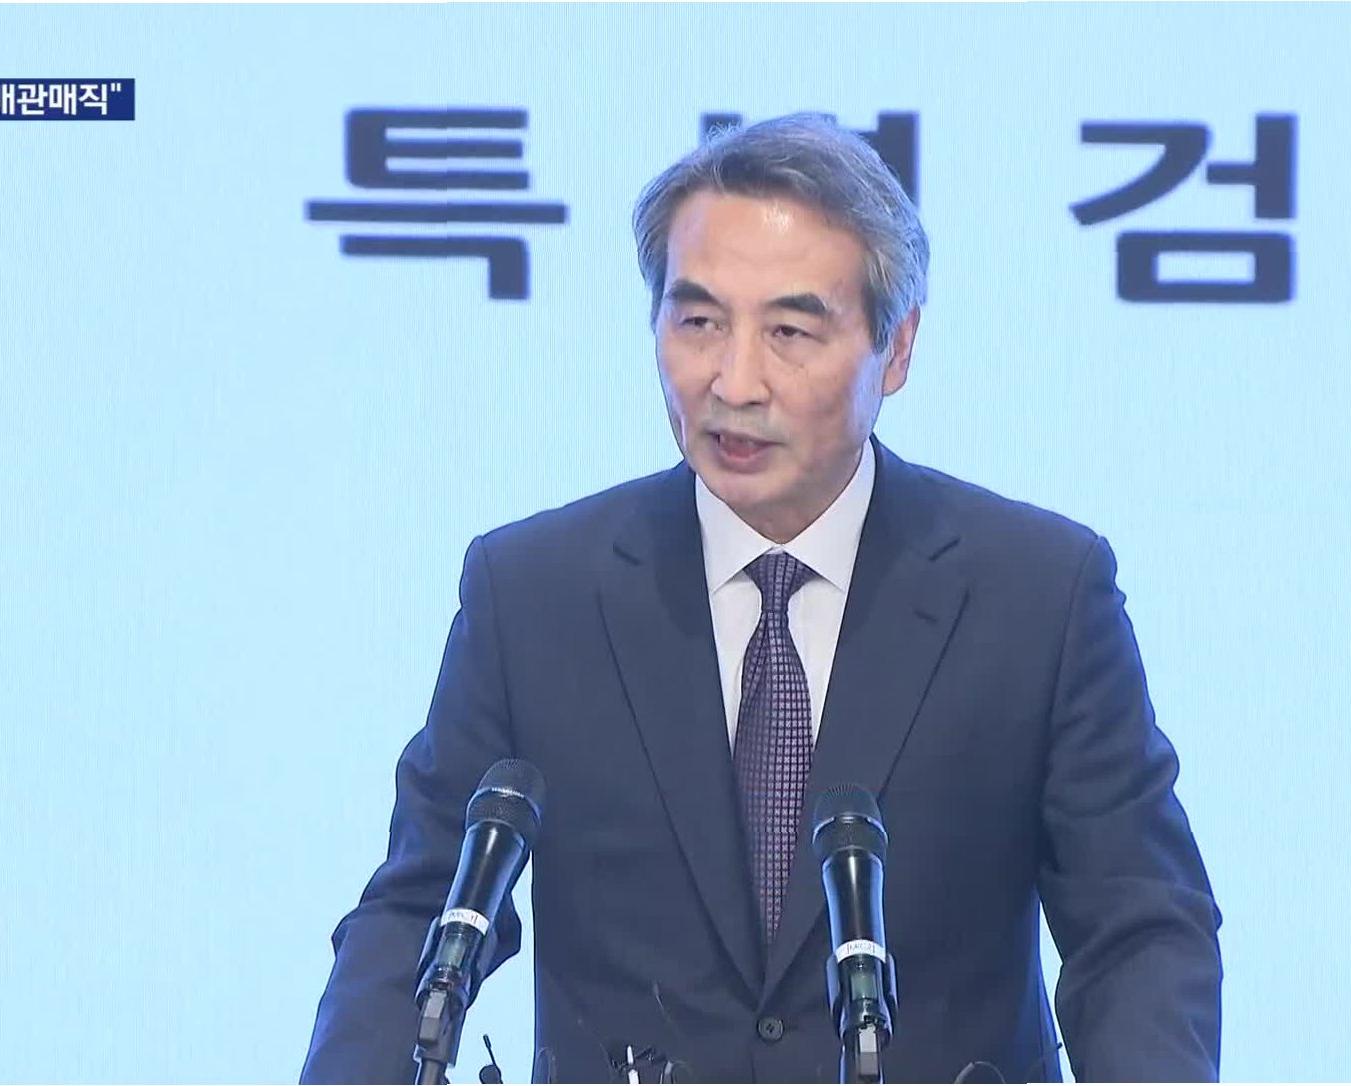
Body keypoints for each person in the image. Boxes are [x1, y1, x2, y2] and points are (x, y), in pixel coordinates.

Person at [299, 112, 1222, 1084]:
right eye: (697, 321)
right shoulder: (533, 594)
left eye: (789, 331)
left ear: (896, 349)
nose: (734, 382)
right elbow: (417, 911)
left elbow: (1138, 927)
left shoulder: (1037, 594)